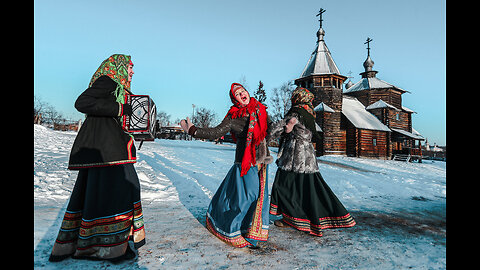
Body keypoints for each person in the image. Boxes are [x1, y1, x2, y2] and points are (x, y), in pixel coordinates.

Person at [49, 54, 145, 262]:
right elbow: (82, 102)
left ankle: (108, 245)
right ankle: (108, 247)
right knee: (118, 194)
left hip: (111, 152)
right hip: (106, 152)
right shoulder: (108, 81)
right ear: (118, 67)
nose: (132, 71)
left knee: (108, 195)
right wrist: (119, 109)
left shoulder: (119, 89)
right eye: (130, 66)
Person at [180, 83, 273, 248]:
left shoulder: (260, 109)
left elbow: (269, 130)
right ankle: (228, 228)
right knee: (248, 196)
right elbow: (216, 132)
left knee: (260, 198)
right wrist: (193, 130)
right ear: (234, 99)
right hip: (245, 161)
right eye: (237, 94)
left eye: (242, 91)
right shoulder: (234, 116)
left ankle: (251, 232)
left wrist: (287, 127)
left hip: (262, 160)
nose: (242, 94)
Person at [268, 86, 356, 237]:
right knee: (308, 188)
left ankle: (293, 218)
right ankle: (308, 217)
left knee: (284, 186)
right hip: (308, 157)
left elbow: (281, 129)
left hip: (294, 156)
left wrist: (266, 131)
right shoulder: (309, 112)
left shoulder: (296, 112)